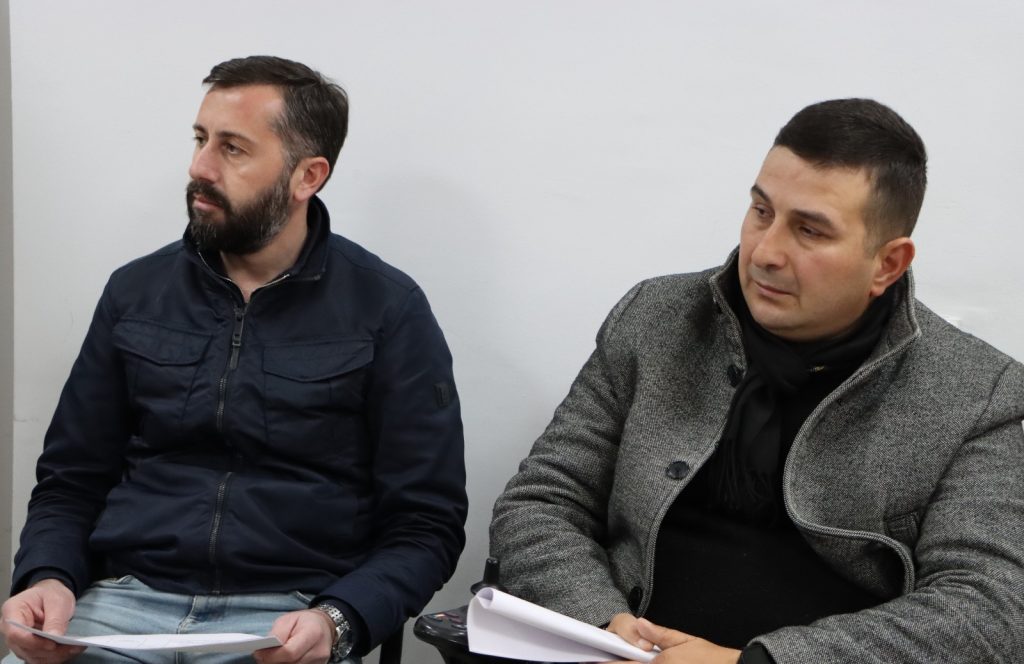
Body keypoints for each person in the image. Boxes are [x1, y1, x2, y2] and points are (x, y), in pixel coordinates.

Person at [489, 98, 1024, 664]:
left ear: (887, 264)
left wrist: (756, 662)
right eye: (762, 211)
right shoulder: (656, 319)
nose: (765, 252)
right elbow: (541, 502)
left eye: (809, 231)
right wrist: (601, 624)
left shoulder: (980, 394)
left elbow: (991, 607)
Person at [1, 56, 467, 664]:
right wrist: (47, 577)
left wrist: (339, 620)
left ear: (307, 176)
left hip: (288, 618)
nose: (200, 167)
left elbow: (426, 523)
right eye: (200, 139)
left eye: (233, 148)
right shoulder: (134, 293)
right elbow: (70, 480)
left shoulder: (388, 310)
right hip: (121, 603)